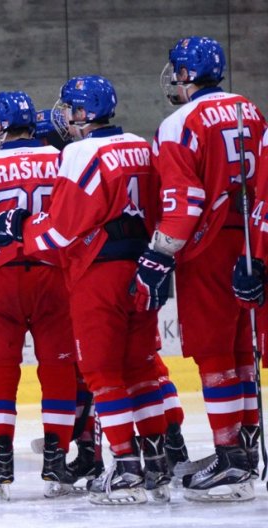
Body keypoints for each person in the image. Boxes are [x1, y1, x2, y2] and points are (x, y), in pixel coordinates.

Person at [0, 75, 170, 505]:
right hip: (144, 265)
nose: (66, 117)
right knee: (142, 369)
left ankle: (125, 466)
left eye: (70, 109)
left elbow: (63, 228)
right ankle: (158, 462)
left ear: (84, 114)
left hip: (100, 271)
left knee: (102, 373)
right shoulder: (140, 145)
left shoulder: (80, 151)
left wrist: (19, 228)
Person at [131, 36, 266, 502]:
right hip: (250, 239)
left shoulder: (179, 122)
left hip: (206, 244)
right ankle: (246, 445)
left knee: (215, 354)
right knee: (241, 348)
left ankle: (230, 456)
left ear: (186, 74)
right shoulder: (251, 109)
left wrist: (160, 251)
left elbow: (185, 201)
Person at [0, 91, 77, 499]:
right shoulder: (62, 160)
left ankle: (2, 462)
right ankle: (58, 462)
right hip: (53, 274)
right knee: (60, 370)